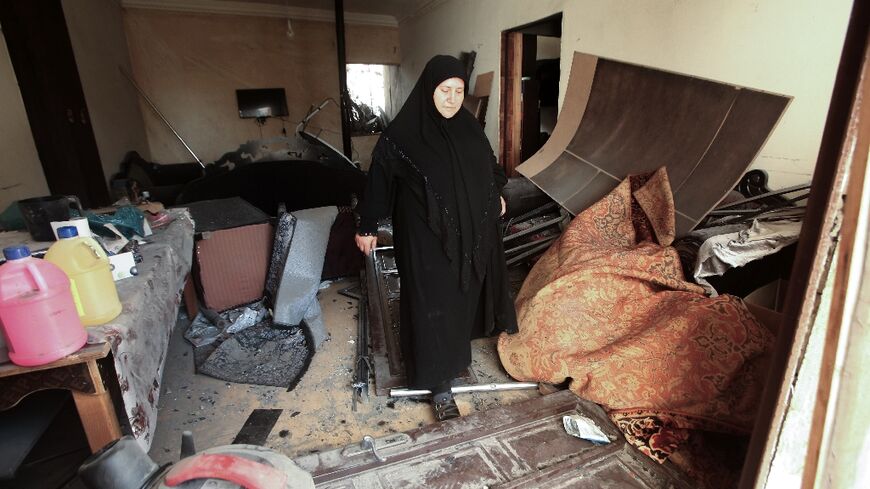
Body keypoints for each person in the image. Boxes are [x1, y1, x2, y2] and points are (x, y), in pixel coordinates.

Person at [355, 55, 518, 421]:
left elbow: (489, 166)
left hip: (466, 237)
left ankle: (454, 359)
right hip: (424, 241)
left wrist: (497, 193)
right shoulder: (402, 135)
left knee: (458, 303)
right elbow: (379, 180)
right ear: (429, 89)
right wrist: (367, 227)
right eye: (445, 90)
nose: (452, 98)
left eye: (459, 91)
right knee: (431, 308)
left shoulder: (470, 128)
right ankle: (438, 386)